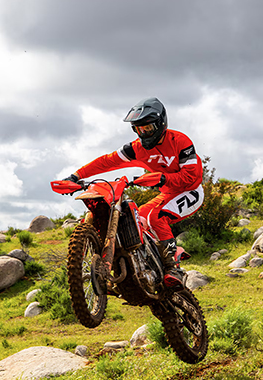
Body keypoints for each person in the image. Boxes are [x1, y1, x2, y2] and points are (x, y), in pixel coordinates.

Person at [65, 97, 204, 289]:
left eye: (147, 128)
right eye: (138, 129)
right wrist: (76, 176)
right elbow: (107, 161)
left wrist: (162, 179)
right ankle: (153, 264)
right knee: (139, 219)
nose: (143, 133)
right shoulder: (136, 148)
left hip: (191, 191)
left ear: (161, 124)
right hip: (168, 194)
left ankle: (174, 267)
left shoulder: (180, 141)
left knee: (156, 217)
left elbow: (192, 177)